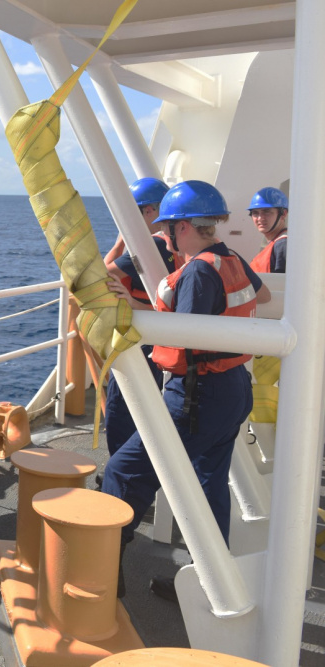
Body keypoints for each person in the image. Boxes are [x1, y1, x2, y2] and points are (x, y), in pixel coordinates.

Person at [103, 180, 270, 598]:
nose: (166, 235)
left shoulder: (198, 271)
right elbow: (263, 295)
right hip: (234, 390)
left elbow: (183, 335)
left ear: (181, 227)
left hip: (198, 396)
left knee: (123, 470)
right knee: (209, 482)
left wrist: (131, 304)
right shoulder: (230, 258)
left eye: (167, 227)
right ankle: (212, 587)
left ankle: (101, 569)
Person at [101, 177, 178, 456]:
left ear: (150, 211)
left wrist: (121, 242)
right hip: (164, 337)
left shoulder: (150, 245)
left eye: (131, 213)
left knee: (123, 409)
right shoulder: (174, 243)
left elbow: (101, 275)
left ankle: (121, 471)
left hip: (141, 337)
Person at [248, 186, 288, 273]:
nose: (260, 218)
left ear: (283, 214)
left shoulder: (283, 244)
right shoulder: (276, 244)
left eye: (266, 212)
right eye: (255, 213)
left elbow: (282, 281)